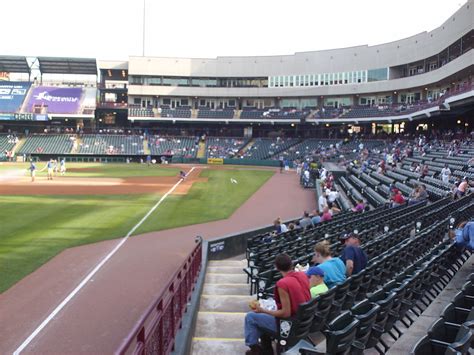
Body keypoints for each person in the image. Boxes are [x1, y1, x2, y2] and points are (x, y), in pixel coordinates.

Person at [244, 254, 310, 355]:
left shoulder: (282, 283)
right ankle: (265, 350)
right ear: (291, 264)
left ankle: (255, 350)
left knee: (251, 317)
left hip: (289, 325)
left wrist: (263, 310)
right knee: (261, 319)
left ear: (277, 267)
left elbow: (285, 313)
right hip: (304, 322)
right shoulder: (302, 275)